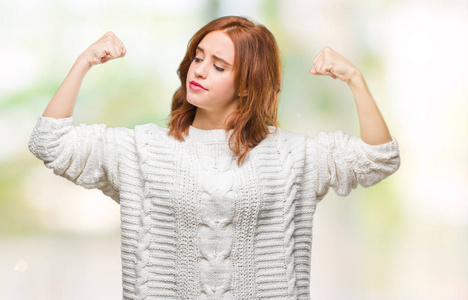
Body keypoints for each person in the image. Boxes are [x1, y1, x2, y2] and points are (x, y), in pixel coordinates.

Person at [28, 15, 400, 300]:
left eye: (219, 66)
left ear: (248, 83)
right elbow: (50, 143)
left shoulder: (293, 156)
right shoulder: (142, 150)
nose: (200, 70)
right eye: (198, 57)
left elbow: (378, 158)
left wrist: (354, 79)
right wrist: (84, 62)